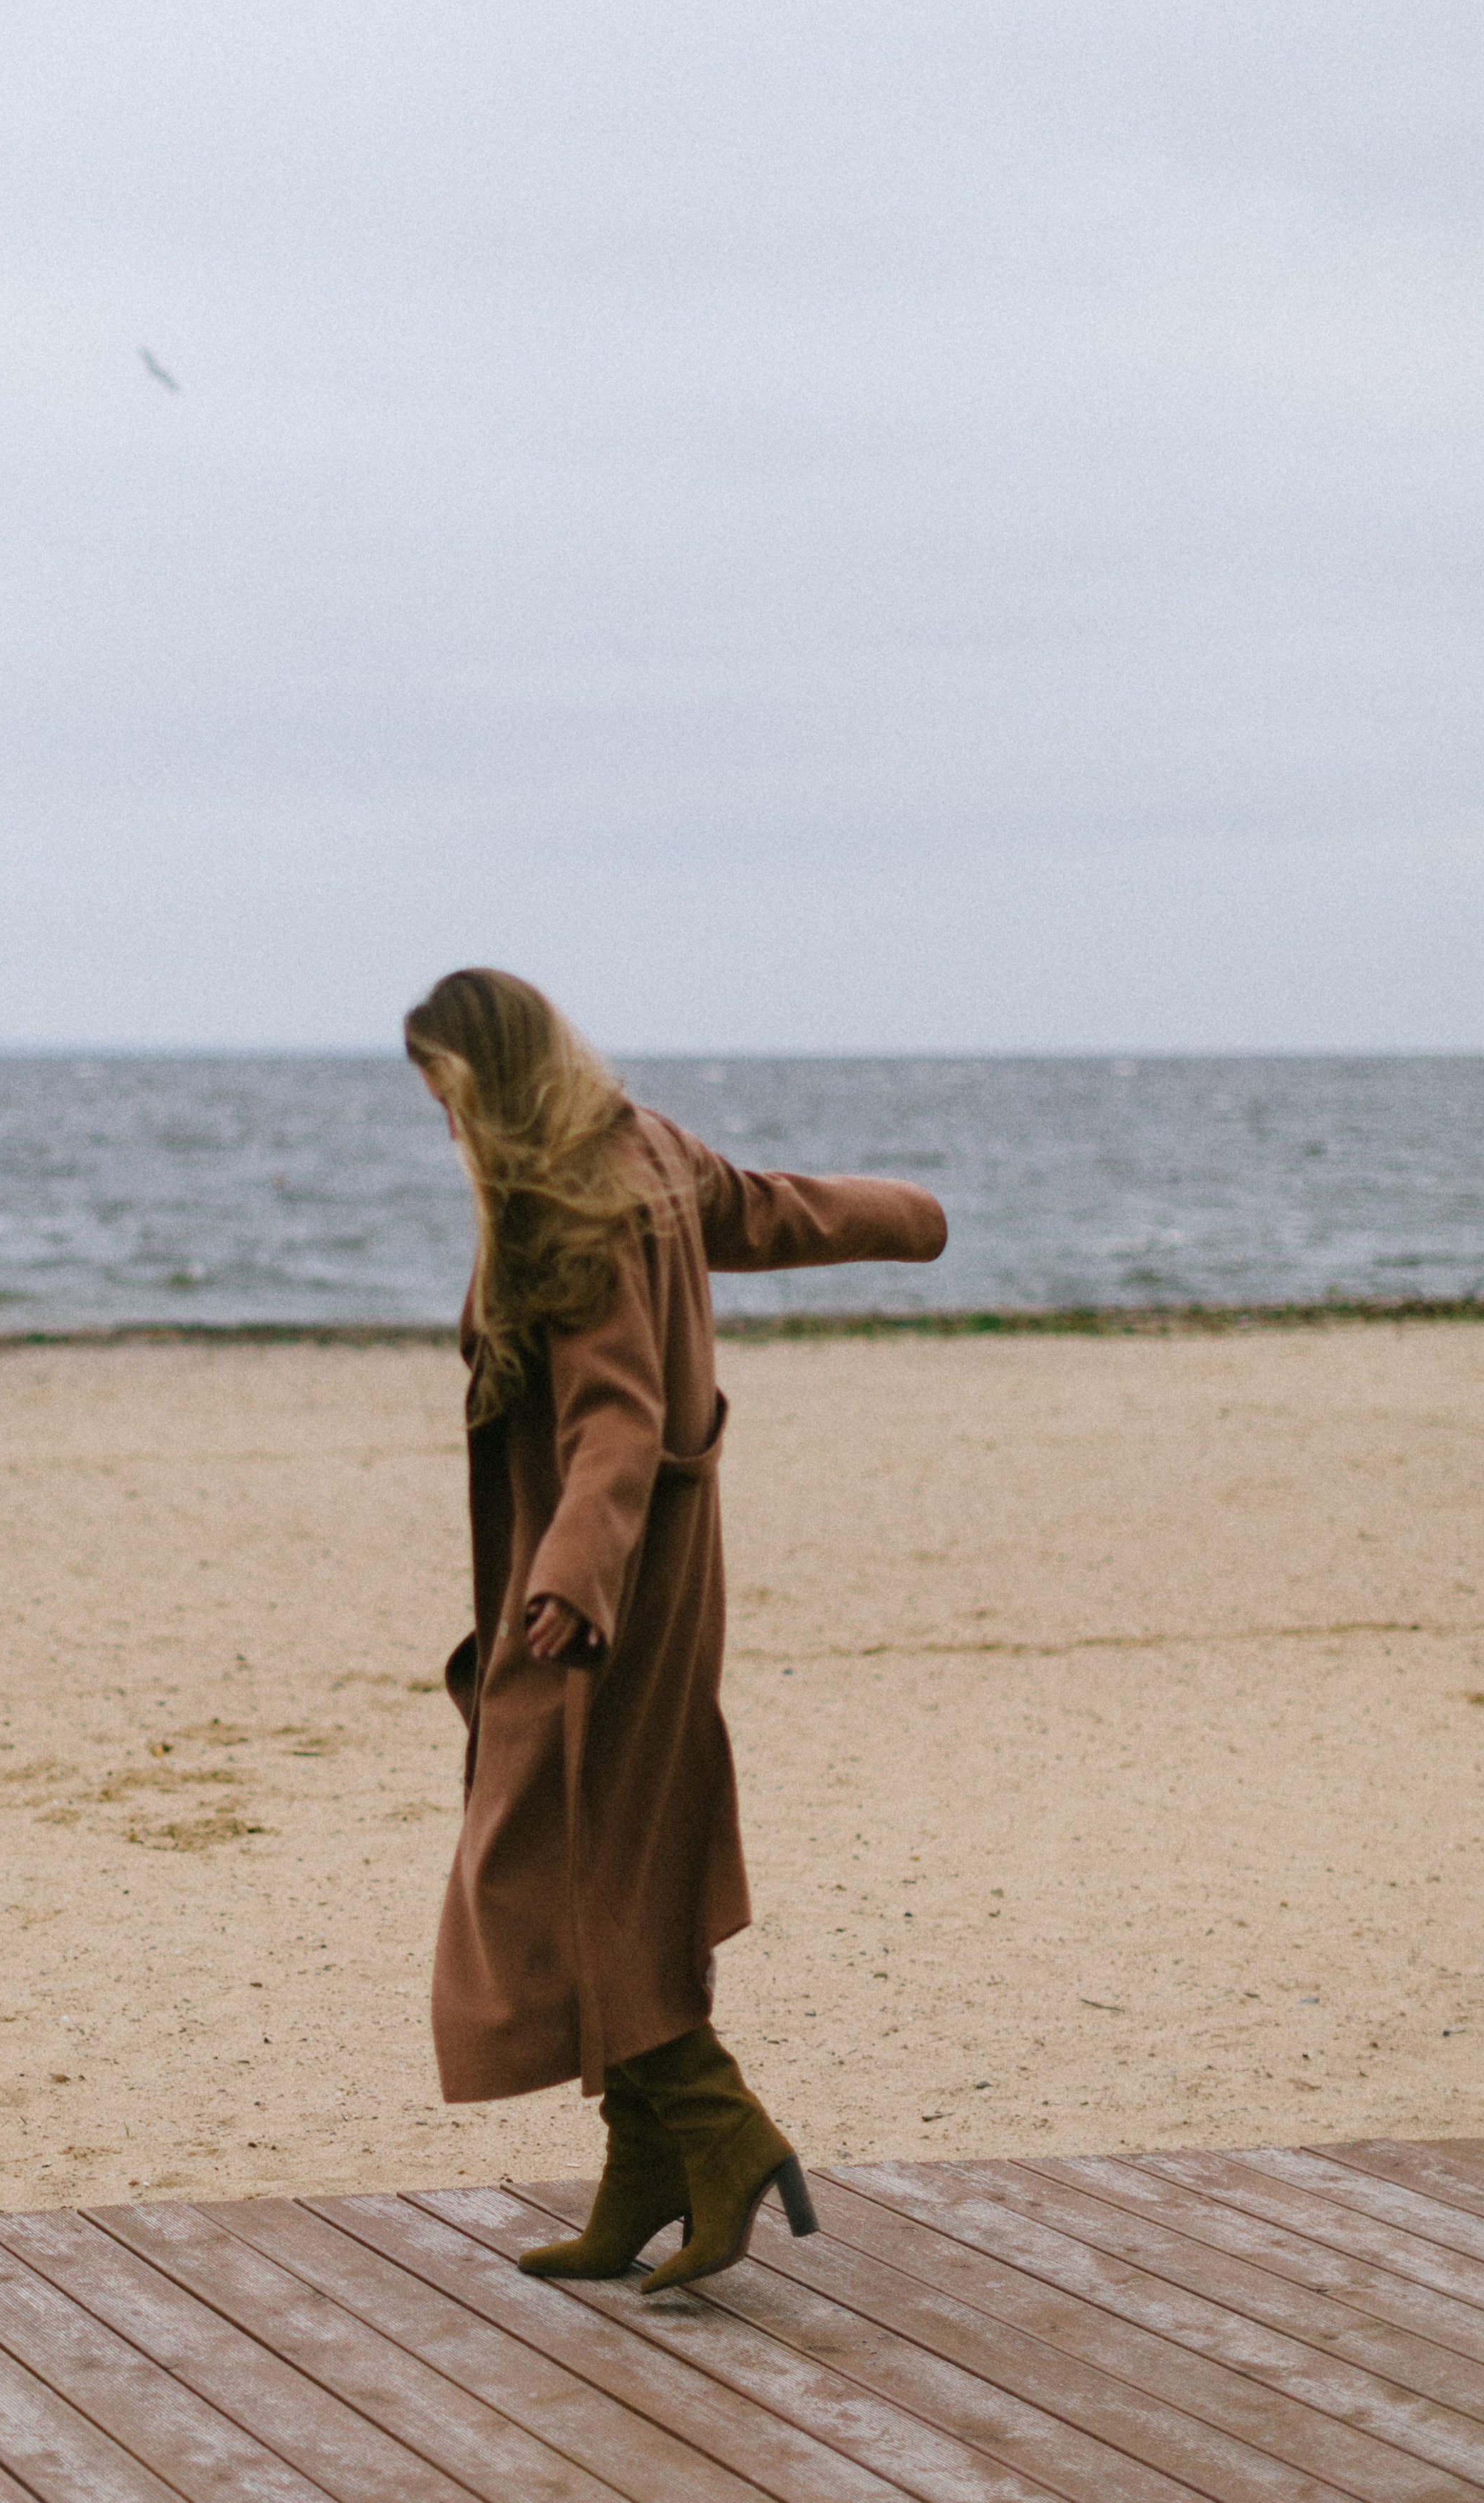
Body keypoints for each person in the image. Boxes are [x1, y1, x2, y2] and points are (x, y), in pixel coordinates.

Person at [405, 968, 947, 2293]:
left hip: (602, 1589)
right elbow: (770, 1210)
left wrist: (574, 1579)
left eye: (446, 1097)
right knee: (612, 1862)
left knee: (542, 1872)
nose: (443, 1125)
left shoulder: (573, 1204)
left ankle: (721, 2132)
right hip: (649, 1565)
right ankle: (643, 2164)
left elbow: (617, 1417)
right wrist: (912, 1218)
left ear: (490, 1087)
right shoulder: (640, 1148)